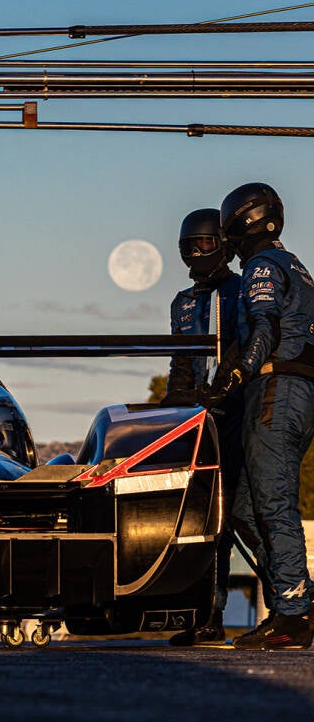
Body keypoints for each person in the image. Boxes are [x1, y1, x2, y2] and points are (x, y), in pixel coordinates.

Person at [209, 182, 314, 650]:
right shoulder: (298, 266)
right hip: (298, 393)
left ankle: (293, 616)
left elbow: (265, 326)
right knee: (245, 509)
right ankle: (294, 603)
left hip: (276, 391)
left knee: (272, 503)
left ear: (239, 223)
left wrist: (237, 375)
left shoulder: (261, 267)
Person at [163, 209, 243, 646]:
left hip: (236, 414)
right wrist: (169, 414)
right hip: (196, 421)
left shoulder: (241, 290)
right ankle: (203, 616)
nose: (196, 252)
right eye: (188, 245)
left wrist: (225, 390)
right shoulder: (182, 302)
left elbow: (246, 345)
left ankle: (292, 607)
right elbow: (179, 365)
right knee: (202, 521)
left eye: (205, 244)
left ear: (224, 245)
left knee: (239, 516)